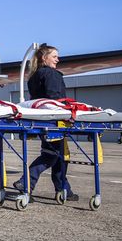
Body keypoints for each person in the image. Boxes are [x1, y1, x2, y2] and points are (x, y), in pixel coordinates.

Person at [14, 43, 78, 201]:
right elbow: (55, 98)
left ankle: (64, 189)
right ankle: (26, 182)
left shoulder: (34, 76)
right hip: (54, 121)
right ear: (44, 58)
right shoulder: (52, 74)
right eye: (55, 56)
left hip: (42, 120)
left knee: (59, 155)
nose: (58, 59)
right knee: (53, 155)